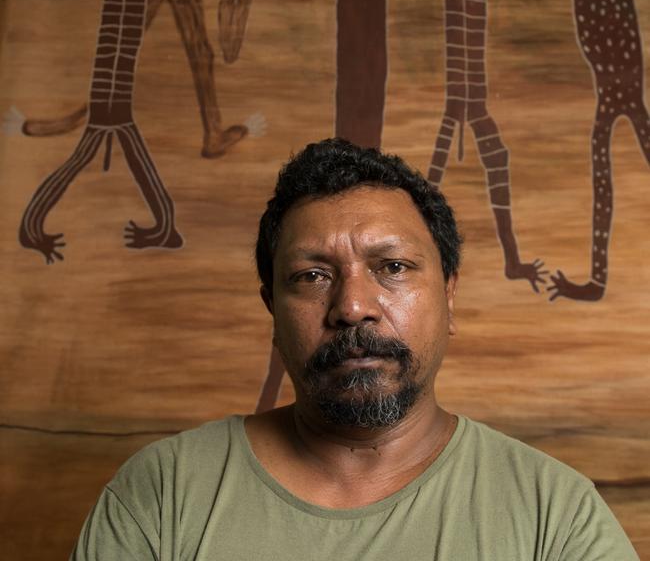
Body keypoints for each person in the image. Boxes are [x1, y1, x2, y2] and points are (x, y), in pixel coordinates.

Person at [71, 138, 638, 560]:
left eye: (392, 267)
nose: (353, 306)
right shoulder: (163, 493)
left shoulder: (554, 516)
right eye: (313, 275)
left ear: (448, 293)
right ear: (272, 307)